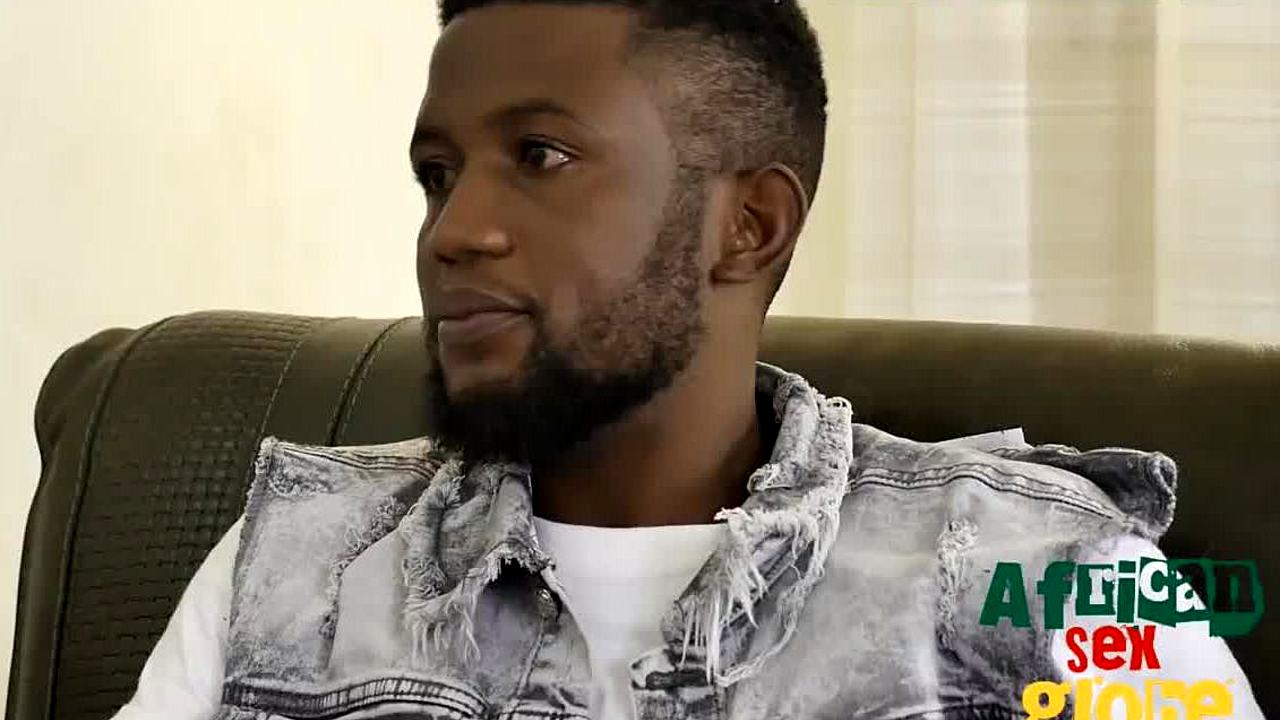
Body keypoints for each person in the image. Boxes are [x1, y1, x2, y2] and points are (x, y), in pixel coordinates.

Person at [113, 1, 1263, 719]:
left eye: (539, 156)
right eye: (436, 175)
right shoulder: (295, 562)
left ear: (746, 227)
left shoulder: (1060, 578)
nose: (453, 230)